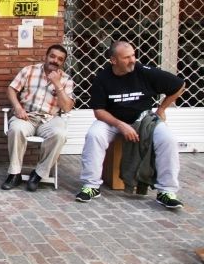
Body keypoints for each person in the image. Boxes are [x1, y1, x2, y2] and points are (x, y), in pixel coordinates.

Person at [76, 40, 186, 209]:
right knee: (94, 135)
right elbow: (99, 111)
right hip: (112, 121)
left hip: (143, 120)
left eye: (133, 55)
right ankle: (91, 185)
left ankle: (166, 191)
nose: (132, 60)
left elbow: (179, 85)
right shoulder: (102, 79)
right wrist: (120, 125)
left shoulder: (144, 72)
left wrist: (162, 109)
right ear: (113, 60)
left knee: (168, 140)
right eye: (126, 57)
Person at [1, 44, 74, 192]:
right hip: (26, 116)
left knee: (60, 134)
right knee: (16, 129)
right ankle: (14, 174)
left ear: (63, 63)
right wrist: (18, 107)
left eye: (60, 59)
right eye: (52, 56)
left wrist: (57, 84)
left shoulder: (66, 80)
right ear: (45, 56)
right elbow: (11, 89)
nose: (55, 61)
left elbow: (67, 107)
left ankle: (38, 174)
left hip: (50, 119)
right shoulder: (29, 70)